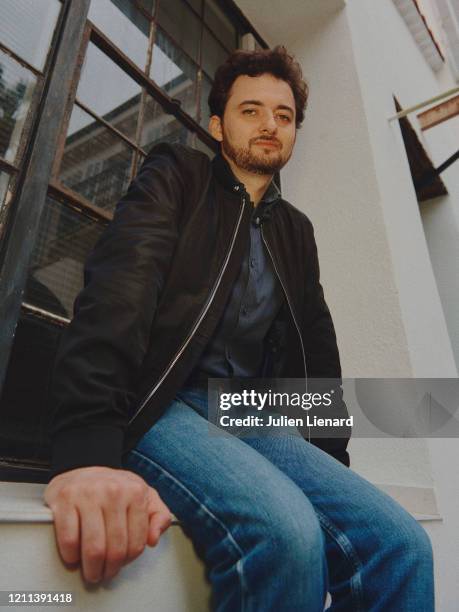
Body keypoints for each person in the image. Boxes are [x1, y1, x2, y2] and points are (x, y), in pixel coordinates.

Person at [44, 46, 434, 610]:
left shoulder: (296, 230)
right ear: (216, 123)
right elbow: (118, 293)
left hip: (247, 413)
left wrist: (328, 465)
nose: (270, 124)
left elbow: (316, 350)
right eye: (251, 110)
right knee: (287, 535)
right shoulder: (177, 175)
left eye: (284, 115)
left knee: (404, 546)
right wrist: (87, 448)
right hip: (162, 400)